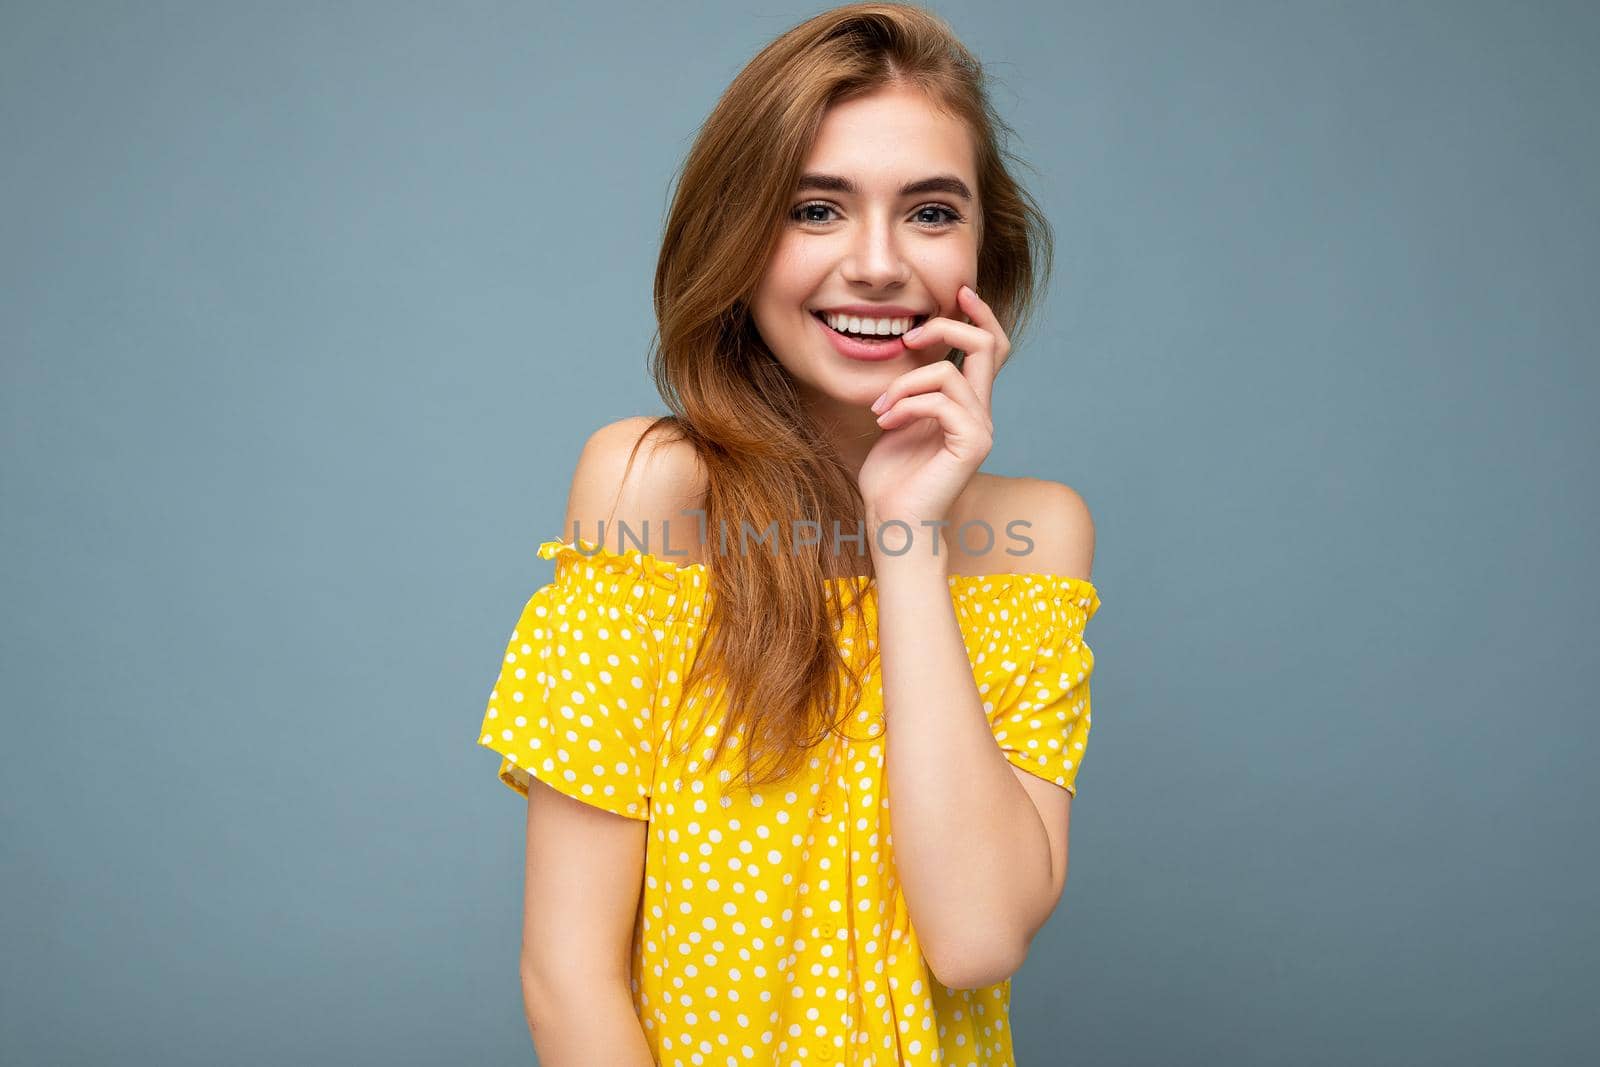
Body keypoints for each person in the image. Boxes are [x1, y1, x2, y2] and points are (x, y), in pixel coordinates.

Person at [475, 4, 1101, 1063]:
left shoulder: (1037, 532)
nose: (875, 263)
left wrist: (905, 534)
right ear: (740, 233)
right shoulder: (649, 488)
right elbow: (568, 973)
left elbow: (975, 937)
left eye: (930, 212)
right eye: (816, 209)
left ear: (982, 252)